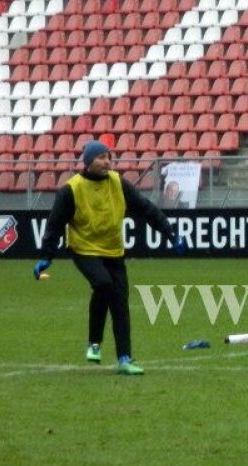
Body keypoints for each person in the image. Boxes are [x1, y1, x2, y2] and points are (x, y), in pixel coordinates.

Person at [34, 140, 184, 376]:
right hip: (84, 249)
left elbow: (146, 208)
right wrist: (46, 256)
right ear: (88, 161)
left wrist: (169, 233)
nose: (106, 162)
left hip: (113, 250)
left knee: (120, 303)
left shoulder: (118, 183)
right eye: (101, 157)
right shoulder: (71, 190)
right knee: (103, 284)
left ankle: (124, 358)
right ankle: (94, 343)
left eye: (109, 157)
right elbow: (54, 225)